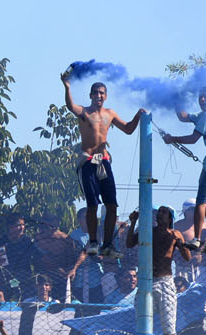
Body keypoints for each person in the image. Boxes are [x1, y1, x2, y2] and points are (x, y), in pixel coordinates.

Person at [61, 70, 146, 257]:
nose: (98, 96)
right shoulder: (84, 112)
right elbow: (70, 106)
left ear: (106, 96)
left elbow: (128, 129)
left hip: (103, 160)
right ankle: (93, 242)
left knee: (112, 205)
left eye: (101, 93)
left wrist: (138, 116)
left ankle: (107, 244)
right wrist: (67, 87)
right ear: (90, 95)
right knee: (92, 204)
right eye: (95, 93)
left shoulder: (110, 113)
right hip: (87, 160)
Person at [163, 86, 206, 254]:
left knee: (201, 201)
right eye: (200, 97)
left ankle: (197, 238)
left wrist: (172, 139)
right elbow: (183, 117)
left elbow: (193, 139)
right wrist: (176, 100)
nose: (202, 99)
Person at [126, 206, 188, 335]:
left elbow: (187, 257)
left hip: (165, 281)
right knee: (142, 319)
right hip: (147, 281)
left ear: (170, 218)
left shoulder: (175, 234)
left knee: (168, 322)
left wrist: (181, 244)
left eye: (163, 213)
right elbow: (129, 243)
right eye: (158, 213)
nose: (160, 215)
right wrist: (133, 222)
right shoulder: (148, 232)